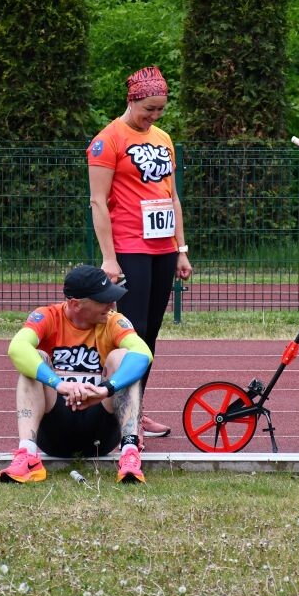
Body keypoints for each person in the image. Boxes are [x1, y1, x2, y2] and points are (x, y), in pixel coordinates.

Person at [87, 66, 193, 440]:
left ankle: (135, 409)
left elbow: (172, 197)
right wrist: (109, 257)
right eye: (149, 109)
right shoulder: (108, 140)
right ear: (131, 100)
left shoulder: (163, 138)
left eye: (161, 109)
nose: (154, 116)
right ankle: (114, 414)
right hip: (129, 247)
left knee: (150, 335)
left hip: (163, 248)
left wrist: (181, 249)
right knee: (133, 332)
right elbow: (98, 202)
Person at [0, 264, 153, 484]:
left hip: (101, 432)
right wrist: (59, 384)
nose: (111, 304)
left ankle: (129, 453)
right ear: (75, 304)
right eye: (103, 299)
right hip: (54, 432)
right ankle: (28, 456)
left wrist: (104, 389)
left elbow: (143, 354)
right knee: (35, 358)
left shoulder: (113, 320)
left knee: (123, 357)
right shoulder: (48, 316)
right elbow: (17, 348)